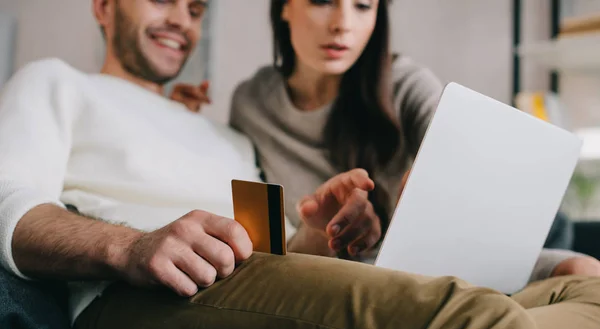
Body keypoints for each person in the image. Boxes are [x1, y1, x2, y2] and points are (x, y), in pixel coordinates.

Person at [2, 1, 600, 329]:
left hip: (250, 281)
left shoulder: (225, 129)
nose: (180, 19)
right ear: (104, 6)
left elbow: (277, 257)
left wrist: (320, 234)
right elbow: (10, 199)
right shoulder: (55, 81)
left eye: (194, 8)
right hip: (141, 298)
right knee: (478, 321)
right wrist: (133, 247)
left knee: (590, 291)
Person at [174, 0, 600, 277]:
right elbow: (241, 190)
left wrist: (444, 174)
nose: (343, 24)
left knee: (583, 271)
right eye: (323, 2)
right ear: (284, 7)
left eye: (363, 6)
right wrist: (180, 114)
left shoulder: (403, 82)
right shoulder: (251, 103)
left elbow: (461, 141)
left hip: (442, 261)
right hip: (344, 273)